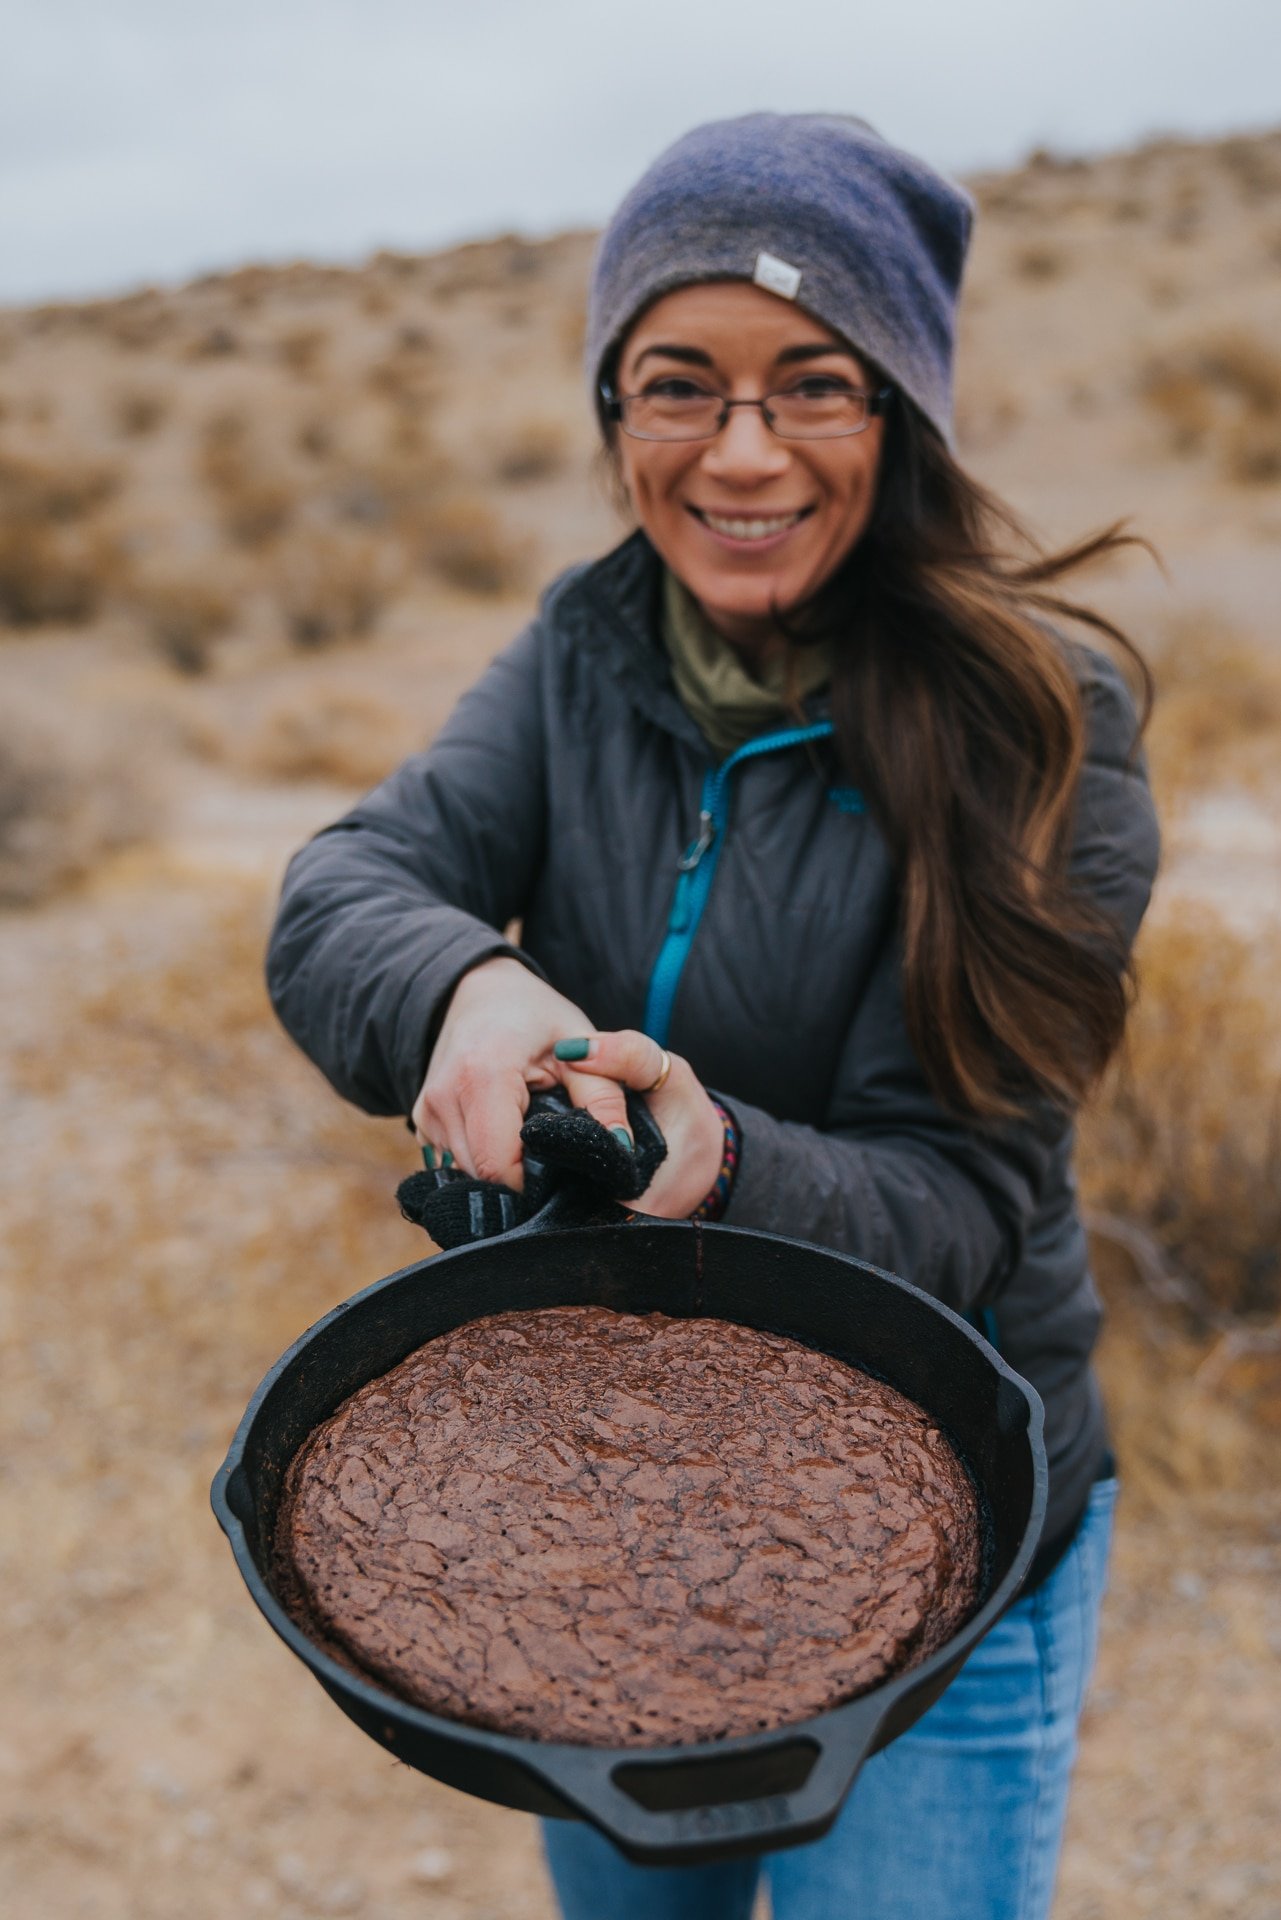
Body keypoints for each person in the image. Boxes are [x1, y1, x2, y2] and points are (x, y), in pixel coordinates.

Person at [266, 113, 1160, 1920]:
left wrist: (720, 1164)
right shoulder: (579, 652)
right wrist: (465, 977)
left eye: (811, 387)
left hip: (953, 1551)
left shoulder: (1038, 730)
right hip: (587, 1523)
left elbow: (967, 1198)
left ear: (896, 418)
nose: (740, 452)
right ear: (616, 420)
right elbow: (344, 885)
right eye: (678, 385)